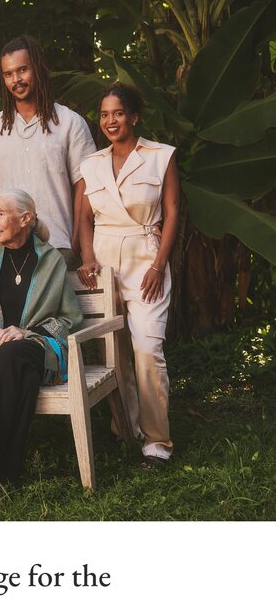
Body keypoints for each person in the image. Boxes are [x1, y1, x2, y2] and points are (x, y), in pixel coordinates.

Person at [0, 189, 82, 502]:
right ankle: (8, 470)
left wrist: (26, 333)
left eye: (0, 214)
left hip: (39, 351)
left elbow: (68, 320)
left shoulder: (52, 261)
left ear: (25, 218)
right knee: (16, 368)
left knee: (15, 353)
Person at [77, 82, 180, 467]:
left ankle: (157, 441)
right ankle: (126, 428)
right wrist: (87, 257)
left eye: (118, 113)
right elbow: (84, 219)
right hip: (104, 265)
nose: (110, 120)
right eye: (104, 114)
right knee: (115, 353)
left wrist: (158, 266)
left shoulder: (160, 157)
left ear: (133, 116)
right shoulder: (91, 164)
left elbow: (172, 214)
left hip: (145, 260)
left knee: (147, 349)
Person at [0, 35, 96, 265]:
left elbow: (84, 185)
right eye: (8, 74)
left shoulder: (70, 123)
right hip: (4, 248)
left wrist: (76, 242)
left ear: (37, 69)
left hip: (57, 245)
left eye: (22, 70)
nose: (16, 80)